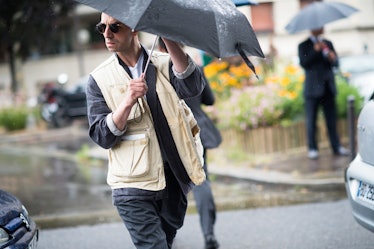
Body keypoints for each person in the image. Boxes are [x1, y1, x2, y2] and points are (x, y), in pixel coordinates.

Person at [86, 12, 207, 249]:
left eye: (115, 27)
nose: (107, 34)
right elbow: (102, 135)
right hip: (132, 187)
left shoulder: (163, 62)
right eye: (102, 27)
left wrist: (168, 36)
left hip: (173, 181)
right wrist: (129, 100)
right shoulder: (98, 79)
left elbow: (192, 86)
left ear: (134, 28)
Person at [158, 39, 222, 249]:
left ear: (160, 48)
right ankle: (209, 234)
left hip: (170, 136)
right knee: (202, 181)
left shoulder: (154, 73)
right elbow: (209, 99)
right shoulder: (194, 68)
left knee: (167, 185)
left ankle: (168, 234)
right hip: (197, 131)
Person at [298, 27, 350, 159]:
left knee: (332, 120)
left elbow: (336, 63)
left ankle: (336, 146)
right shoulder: (304, 46)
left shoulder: (328, 43)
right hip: (312, 89)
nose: (323, 27)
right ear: (312, 28)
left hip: (328, 87)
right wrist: (315, 50)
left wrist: (333, 58)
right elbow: (304, 63)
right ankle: (313, 148)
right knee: (311, 120)